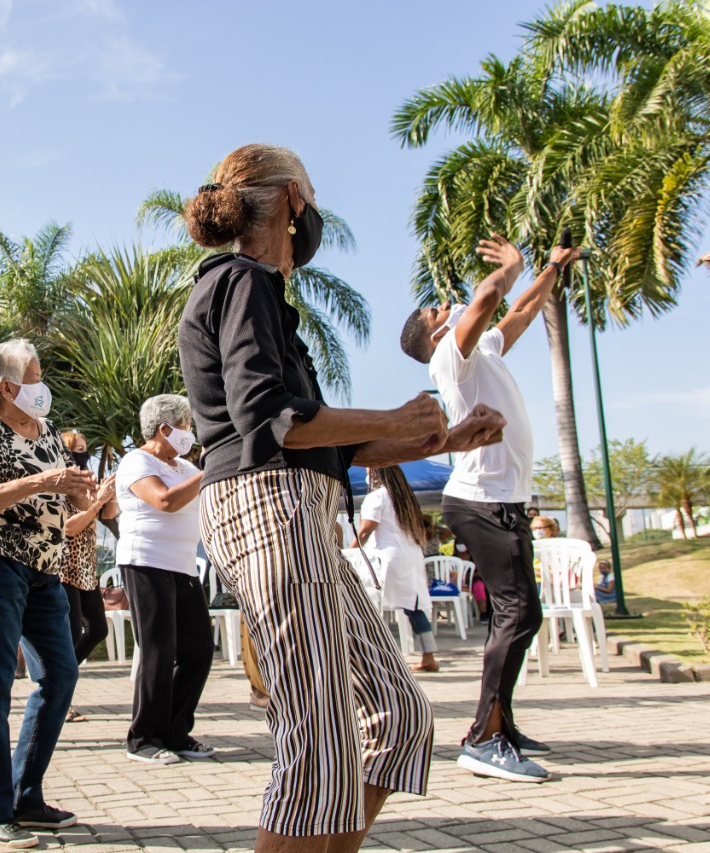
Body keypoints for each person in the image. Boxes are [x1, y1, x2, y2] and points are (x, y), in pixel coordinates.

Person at [179, 143, 507, 852]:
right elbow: (273, 418)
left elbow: (324, 442)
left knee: (395, 715)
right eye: (314, 196)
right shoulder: (241, 282)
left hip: (300, 508)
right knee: (318, 740)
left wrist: (442, 440)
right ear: (294, 200)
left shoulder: (259, 294)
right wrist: (394, 420)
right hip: (268, 506)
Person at [400, 232, 580, 784]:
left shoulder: (481, 353)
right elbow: (486, 302)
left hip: (502, 503)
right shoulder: (451, 361)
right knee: (519, 612)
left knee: (522, 614)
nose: (446, 303)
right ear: (435, 333)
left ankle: (499, 724)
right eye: (437, 308)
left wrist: (549, 270)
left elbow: (520, 312)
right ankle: (484, 737)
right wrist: (513, 264)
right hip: (480, 503)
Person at [0, 338, 96, 849]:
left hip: (44, 567)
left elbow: (59, 487)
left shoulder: (49, 431)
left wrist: (79, 488)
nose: (43, 385)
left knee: (60, 674)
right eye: (35, 376)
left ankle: (25, 795)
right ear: (8, 386)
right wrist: (43, 481)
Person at [116, 394, 214, 766]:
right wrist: (210, 470)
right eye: (186, 426)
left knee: (199, 650)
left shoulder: (185, 468)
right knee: (158, 652)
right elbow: (165, 501)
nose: (189, 433)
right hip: (146, 563)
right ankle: (143, 738)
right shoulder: (135, 461)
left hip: (183, 567)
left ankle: (176, 731)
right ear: (164, 428)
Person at [57, 430, 116, 724]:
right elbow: (69, 527)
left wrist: (108, 496)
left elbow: (106, 516)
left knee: (97, 630)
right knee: (69, 635)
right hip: (64, 567)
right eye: (77, 450)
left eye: (85, 449)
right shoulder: (62, 486)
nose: (84, 454)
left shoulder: (89, 483)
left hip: (85, 567)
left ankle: (61, 679)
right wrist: (96, 503)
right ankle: (60, 697)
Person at [357, 467, 438, 673]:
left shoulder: (377, 496)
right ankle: (428, 656)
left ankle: (378, 658)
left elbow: (366, 529)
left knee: (371, 607)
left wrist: (349, 552)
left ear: (376, 473)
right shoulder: (405, 498)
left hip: (387, 558)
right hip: (411, 556)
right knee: (414, 607)